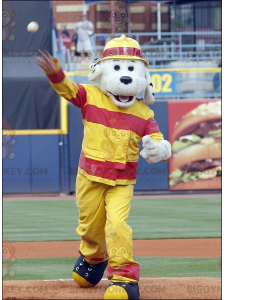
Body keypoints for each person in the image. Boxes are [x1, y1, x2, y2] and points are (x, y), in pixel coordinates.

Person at [35, 35, 172, 300]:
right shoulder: (91, 96)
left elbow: (158, 141)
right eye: (118, 69)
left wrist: (160, 149)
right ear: (103, 70)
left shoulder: (144, 113)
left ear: (143, 74)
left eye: (132, 69)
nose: (125, 78)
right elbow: (68, 90)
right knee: (90, 227)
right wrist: (56, 74)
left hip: (122, 182)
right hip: (89, 177)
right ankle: (94, 258)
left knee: (117, 226)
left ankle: (124, 278)